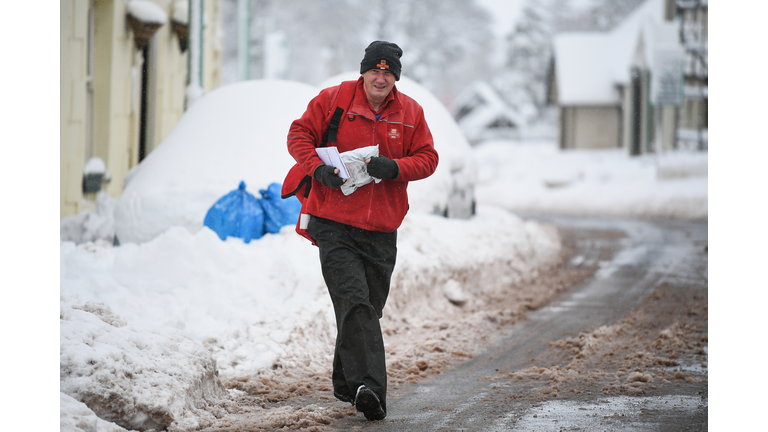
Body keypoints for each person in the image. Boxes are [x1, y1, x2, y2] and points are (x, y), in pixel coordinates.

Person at [286, 41, 439, 421]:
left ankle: (346, 382)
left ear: (395, 77)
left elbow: (429, 158)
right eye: (375, 70)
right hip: (334, 223)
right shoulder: (334, 99)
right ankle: (371, 389)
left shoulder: (410, 112)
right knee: (355, 302)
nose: (381, 77)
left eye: (388, 72)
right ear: (364, 71)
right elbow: (298, 135)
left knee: (366, 309)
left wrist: (396, 168)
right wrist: (316, 169)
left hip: (381, 230)